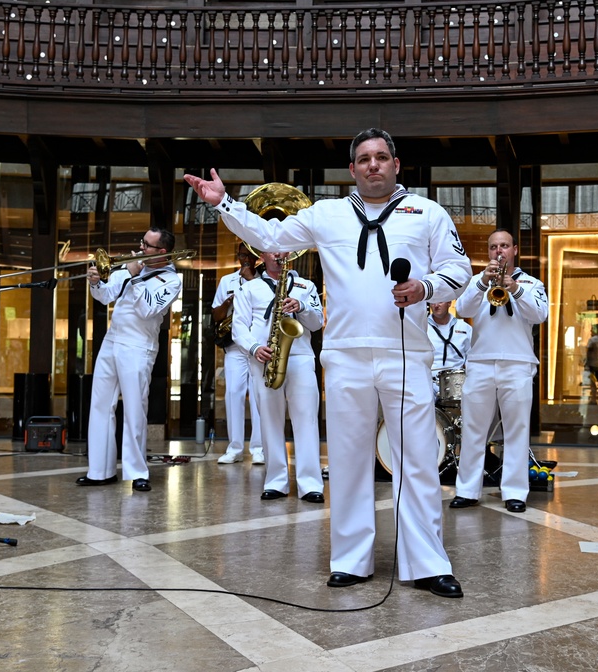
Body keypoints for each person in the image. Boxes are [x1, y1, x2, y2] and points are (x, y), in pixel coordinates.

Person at [185, 128, 472, 598]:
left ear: (397, 165)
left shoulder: (429, 213)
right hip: (344, 356)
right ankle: (351, 561)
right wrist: (224, 203)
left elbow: (459, 269)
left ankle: (426, 562)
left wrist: (427, 288)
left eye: (382, 157)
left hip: (407, 354)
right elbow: (271, 235)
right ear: (352, 169)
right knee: (348, 459)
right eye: (364, 159)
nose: (373, 165)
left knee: (417, 460)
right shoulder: (328, 213)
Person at [76, 227, 183, 493]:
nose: (140, 248)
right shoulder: (131, 266)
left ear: (162, 252)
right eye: (142, 243)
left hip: (138, 346)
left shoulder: (172, 280)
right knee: (100, 405)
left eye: (146, 245)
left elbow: (148, 309)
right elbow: (105, 296)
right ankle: (99, 471)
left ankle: (137, 472)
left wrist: (134, 276)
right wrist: (95, 283)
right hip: (112, 340)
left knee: (135, 410)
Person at [450, 230, 548, 512]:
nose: (499, 251)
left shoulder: (530, 283)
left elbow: (539, 315)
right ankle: (467, 490)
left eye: (504, 246)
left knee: (517, 431)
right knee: (473, 430)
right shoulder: (476, 282)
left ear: (514, 250)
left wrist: (513, 288)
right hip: (481, 363)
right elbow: (463, 309)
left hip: (517, 364)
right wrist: (483, 282)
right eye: (493, 247)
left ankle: (515, 492)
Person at [232, 251, 325, 502]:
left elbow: (317, 323)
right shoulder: (249, 288)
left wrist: (302, 306)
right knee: (269, 422)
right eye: (272, 251)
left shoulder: (307, 285)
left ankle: (310, 485)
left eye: (283, 250)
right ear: (262, 254)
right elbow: (238, 327)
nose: (278, 255)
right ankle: (276, 481)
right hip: (264, 360)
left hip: (301, 358)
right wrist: (254, 348)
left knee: (307, 420)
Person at [212, 242, 265, 465]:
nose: (245, 259)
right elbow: (216, 314)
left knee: (258, 396)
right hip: (234, 345)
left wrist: (252, 280)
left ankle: (259, 448)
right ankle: (234, 448)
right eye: (242, 254)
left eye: (249, 255)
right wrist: (228, 302)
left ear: (257, 257)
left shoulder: (265, 281)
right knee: (233, 393)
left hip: (258, 346)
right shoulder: (227, 281)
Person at [428, 300, 471, 399]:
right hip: (430, 381)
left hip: (457, 381)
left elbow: (471, 357)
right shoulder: (423, 328)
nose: (436, 305)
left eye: (440, 301)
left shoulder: (464, 327)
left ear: (449, 303)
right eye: (433, 302)